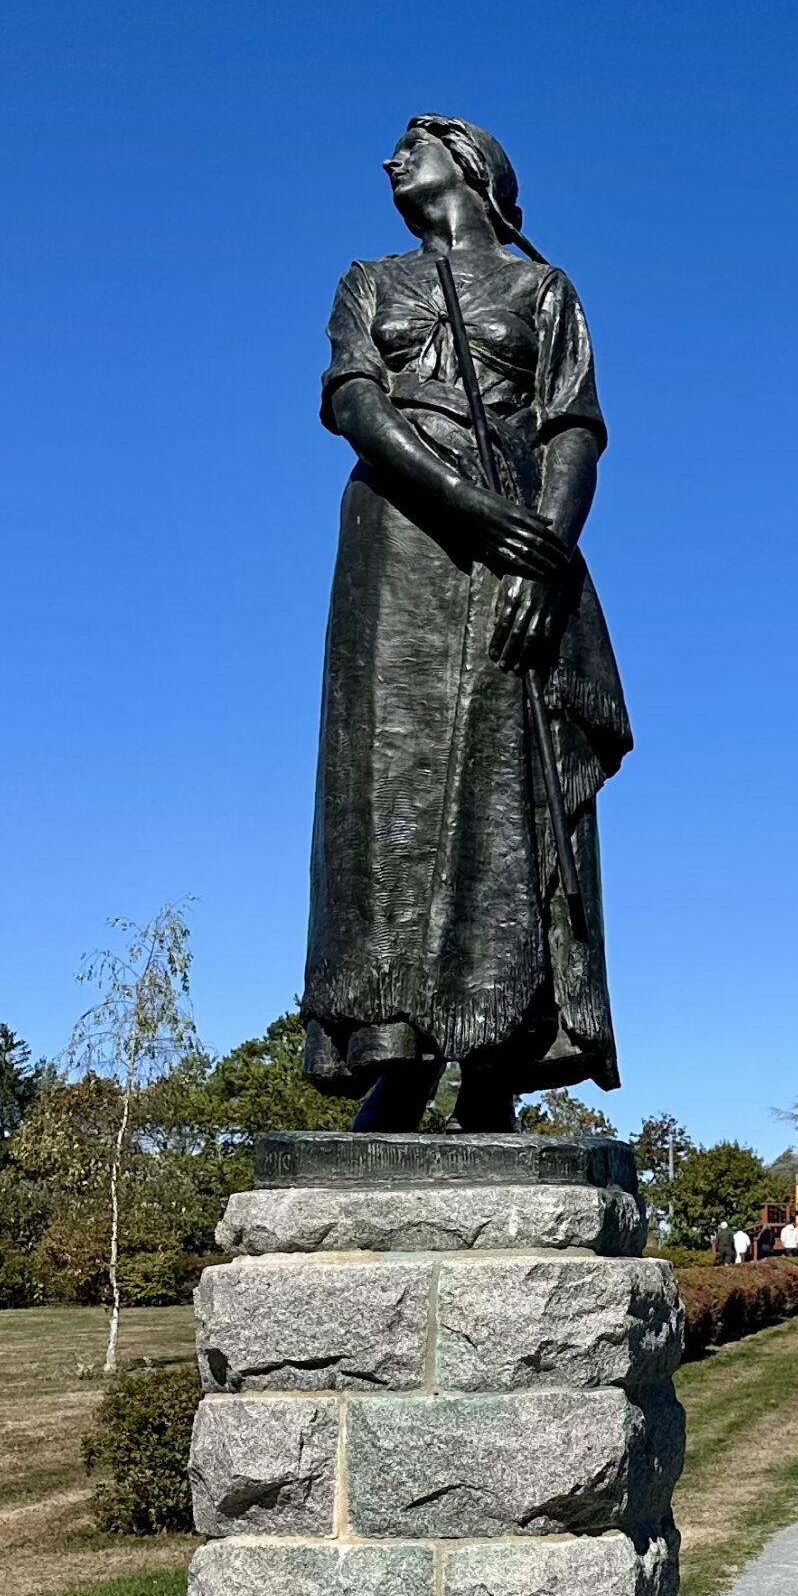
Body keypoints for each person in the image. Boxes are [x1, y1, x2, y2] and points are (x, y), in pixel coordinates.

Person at [300, 116, 631, 1132]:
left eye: (415, 145)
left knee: (509, 783)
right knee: (380, 786)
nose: (391, 161)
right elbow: (354, 404)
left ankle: (499, 1052)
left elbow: (573, 429)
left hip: (520, 550)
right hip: (397, 544)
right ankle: (392, 1049)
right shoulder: (368, 280)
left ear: (472, 169)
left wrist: (545, 553)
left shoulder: (544, 293)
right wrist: (473, 510)